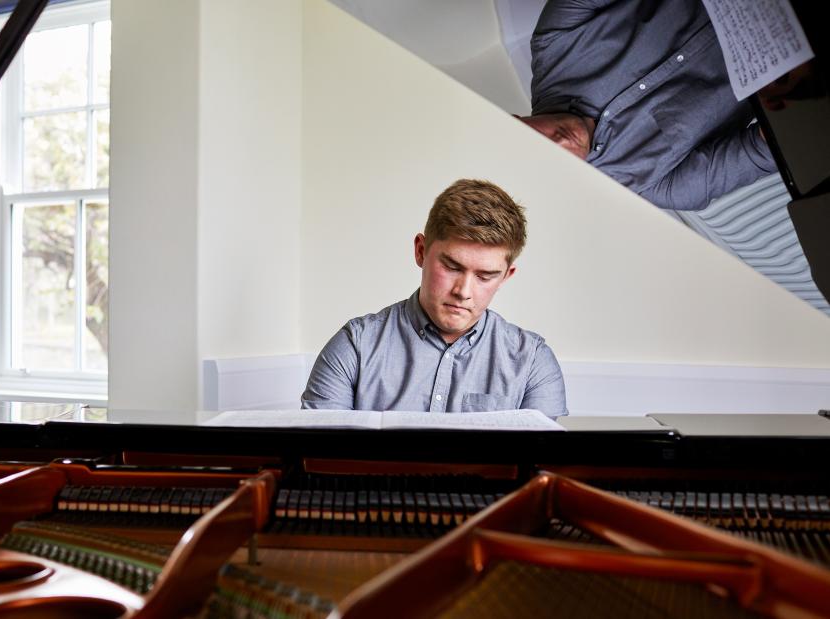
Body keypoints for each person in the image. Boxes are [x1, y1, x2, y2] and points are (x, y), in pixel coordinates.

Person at [301, 179, 567, 418]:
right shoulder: (355, 347)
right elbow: (318, 460)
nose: (463, 291)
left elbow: (545, 467)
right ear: (420, 251)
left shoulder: (533, 362)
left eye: (485, 276)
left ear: (506, 277)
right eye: (452, 267)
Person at [518, 0, 777, 212]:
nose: (561, 142)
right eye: (556, 164)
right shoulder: (657, 185)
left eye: (533, 139)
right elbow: (766, 148)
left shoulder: (554, 39)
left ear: (515, 120)